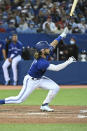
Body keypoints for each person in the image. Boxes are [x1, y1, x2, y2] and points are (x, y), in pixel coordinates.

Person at [0, 27, 76, 112]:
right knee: (19, 99)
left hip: (40, 79)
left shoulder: (43, 53)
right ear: (43, 50)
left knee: (55, 88)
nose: (49, 48)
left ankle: (44, 105)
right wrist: (68, 62)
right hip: (31, 81)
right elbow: (56, 68)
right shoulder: (41, 62)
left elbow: (53, 43)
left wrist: (61, 35)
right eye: (47, 48)